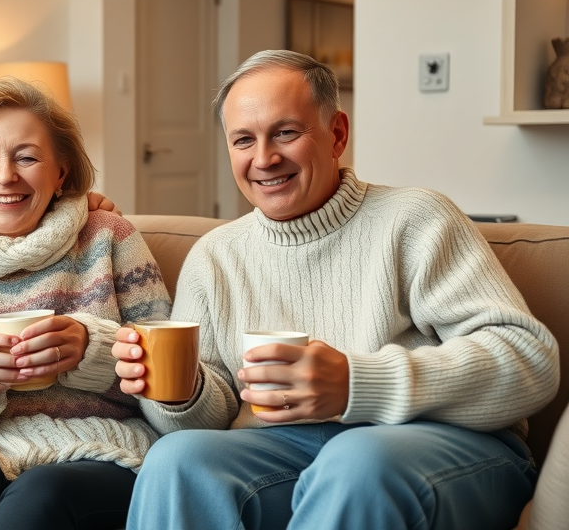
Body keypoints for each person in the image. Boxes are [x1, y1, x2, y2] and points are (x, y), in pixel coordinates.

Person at [112, 49, 559, 530]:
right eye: (244, 140)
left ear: (337, 134)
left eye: (286, 132)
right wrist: (183, 394)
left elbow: (529, 359)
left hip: (438, 443)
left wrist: (354, 383)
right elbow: (217, 403)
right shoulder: (216, 255)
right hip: (286, 448)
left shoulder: (415, 220)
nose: (264, 158)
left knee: (357, 459)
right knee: (178, 459)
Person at [0, 77, 172, 530]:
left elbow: (171, 378)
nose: (5, 176)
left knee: (41, 493)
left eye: (27, 157)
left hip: (108, 451)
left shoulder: (108, 238)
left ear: (61, 173)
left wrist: (93, 352)